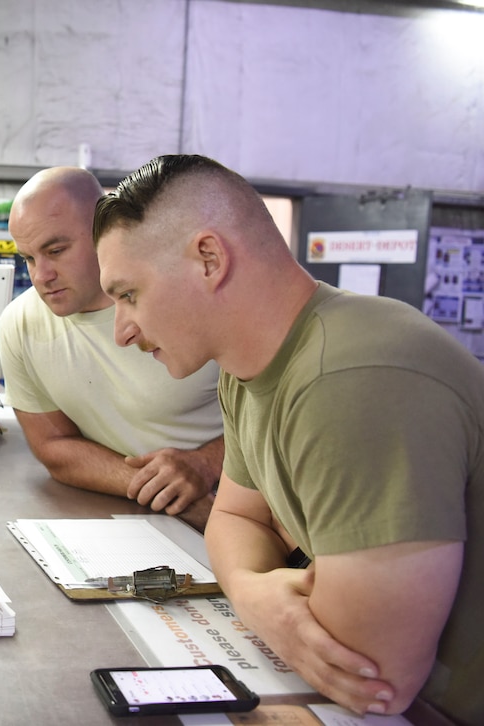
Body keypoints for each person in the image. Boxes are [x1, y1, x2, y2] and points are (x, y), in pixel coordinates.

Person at [93, 154, 482, 725]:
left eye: (129, 295)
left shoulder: (351, 376)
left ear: (209, 259)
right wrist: (256, 593)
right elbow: (237, 519)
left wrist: (255, 584)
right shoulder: (245, 371)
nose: (122, 330)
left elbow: (371, 675)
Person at [0, 166, 225, 528]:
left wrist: (206, 462)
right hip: (151, 518)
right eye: (28, 257)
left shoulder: (188, 297)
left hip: (257, 509)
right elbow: (54, 447)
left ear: (102, 229)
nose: (41, 276)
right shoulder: (20, 324)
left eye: (55, 250)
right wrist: (165, 493)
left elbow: (283, 415)